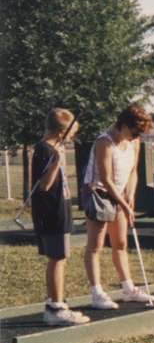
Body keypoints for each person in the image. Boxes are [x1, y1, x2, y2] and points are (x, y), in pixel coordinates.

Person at [81, 105, 154, 309]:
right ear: (123, 125)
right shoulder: (104, 142)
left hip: (120, 193)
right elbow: (106, 179)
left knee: (120, 243)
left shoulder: (135, 142)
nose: (135, 137)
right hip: (99, 193)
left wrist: (130, 195)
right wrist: (124, 203)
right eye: (133, 132)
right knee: (95, 245)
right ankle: (97, 293)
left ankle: (128, 289)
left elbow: (133, 172)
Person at [31, 108, 90, 326]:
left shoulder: (54, 148)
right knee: (57, 258)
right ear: (61, 131)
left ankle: (56, 302)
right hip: (50, 212)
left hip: (60, 208)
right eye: (71, 133)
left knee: (60, 258)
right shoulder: (44, 150)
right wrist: (56, 161)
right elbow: (44, 185)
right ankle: (55, 307)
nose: (72, 137)